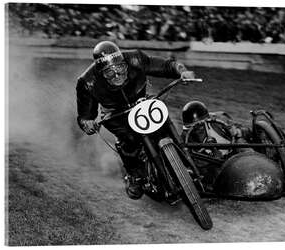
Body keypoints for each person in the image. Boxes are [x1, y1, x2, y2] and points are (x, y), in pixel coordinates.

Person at [76, 40, 196, 200]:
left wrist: (181, 71)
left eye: (119, 68)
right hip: (115, 113)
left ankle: (184, 161)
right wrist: (87, 123)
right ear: (101, 73)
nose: (117, 75)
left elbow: (165, 65)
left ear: (125, 63)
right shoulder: (87, 82)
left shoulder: (136, 59)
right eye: (110, 73)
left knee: (163, 121)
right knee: (130, 138)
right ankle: (134, 176)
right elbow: (85, 115)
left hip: (142, 102)